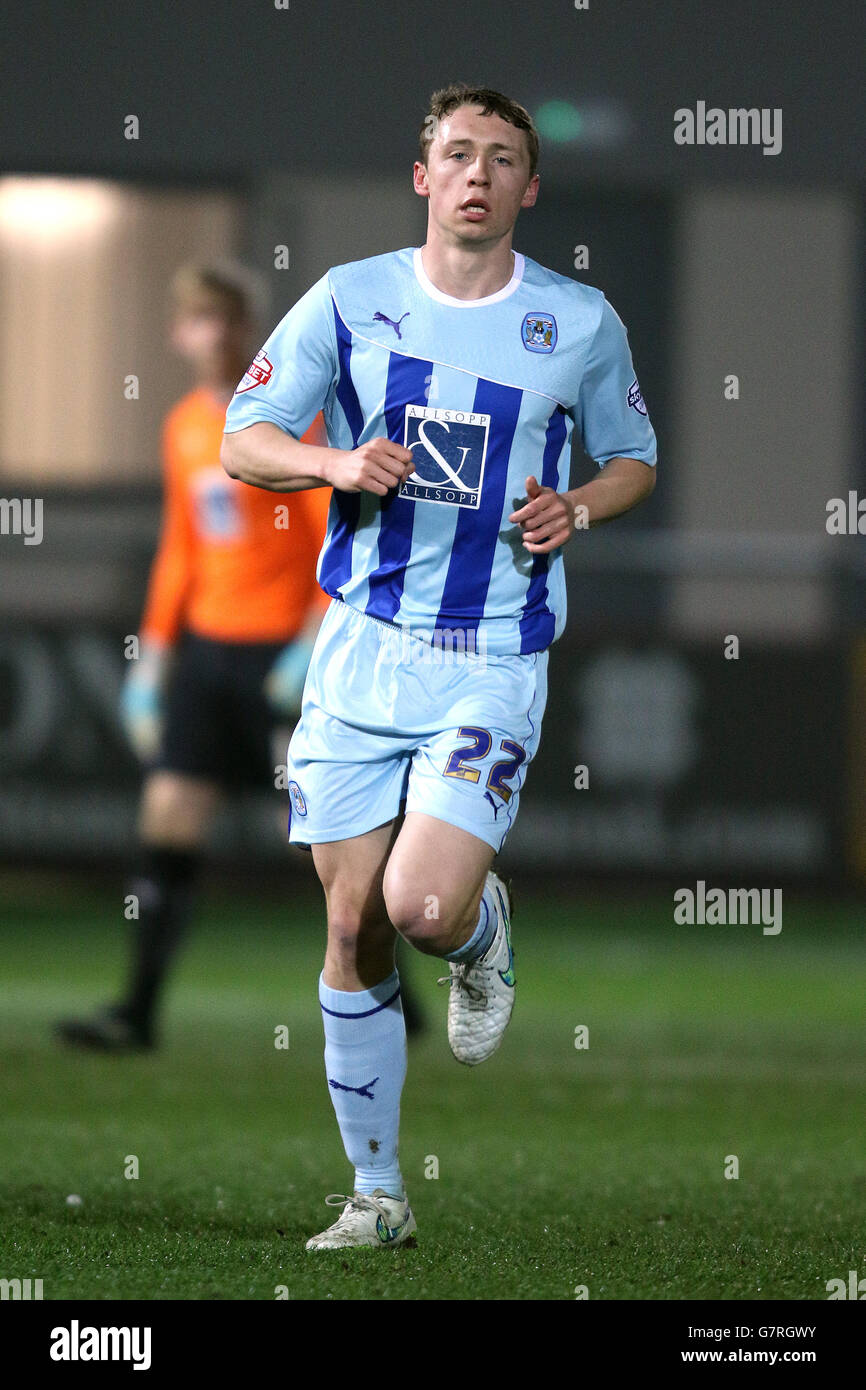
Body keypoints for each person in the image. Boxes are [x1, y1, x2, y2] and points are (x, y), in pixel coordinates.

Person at [221, 84, 657, 1250]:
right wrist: (328, 463)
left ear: (527, 186)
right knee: (353, 922)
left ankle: (476, 935)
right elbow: (242, 437)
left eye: (500, 158)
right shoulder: (349, 298)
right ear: (422, 176)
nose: (476, 173)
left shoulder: (577, 321)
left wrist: (579, 504)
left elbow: (631, 458)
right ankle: (377, 1196)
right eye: (456, 153)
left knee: (419, 908)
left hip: (490, 655)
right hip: (359, 653)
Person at [56, 261, 331, 1052]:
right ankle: (138, 1012)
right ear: (181, 333)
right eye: (199, 320)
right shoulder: (181, 425)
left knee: (327, 842)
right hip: (208, 658)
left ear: (248, 330)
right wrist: (152, 663)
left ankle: (393, 994)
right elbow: (180, 548)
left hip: (281, 658)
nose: (214, 334)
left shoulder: (288, 423)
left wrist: (308, 648)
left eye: (227, 319)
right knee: (167, 822)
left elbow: (327, 546)